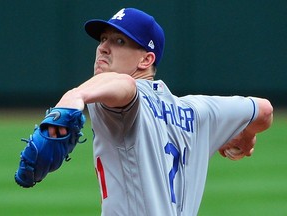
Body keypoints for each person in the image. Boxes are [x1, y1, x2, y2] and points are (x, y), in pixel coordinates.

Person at [50, 8, 273, 216]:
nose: (103, 47)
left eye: (119, 41)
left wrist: (74, 97)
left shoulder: (123, 95)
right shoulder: (197, 111)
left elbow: (125, 86)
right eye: (103, 39)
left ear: (146, 60)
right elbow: (264, 110)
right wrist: (246, 134)